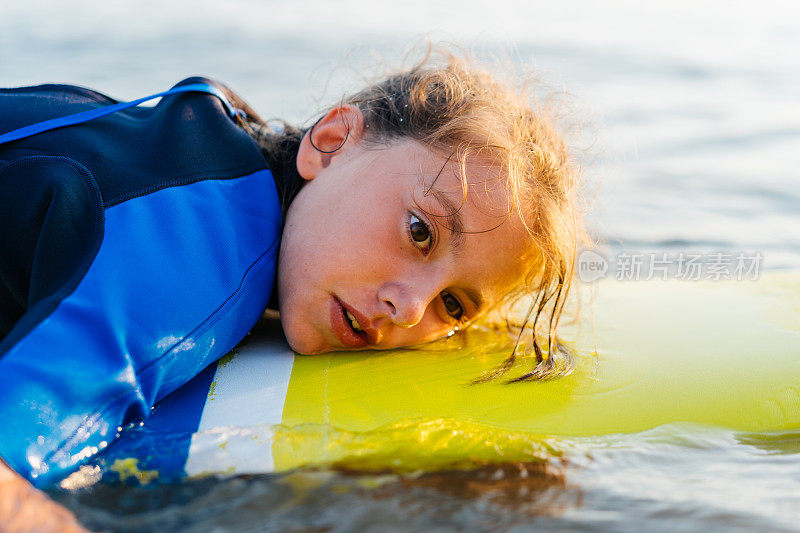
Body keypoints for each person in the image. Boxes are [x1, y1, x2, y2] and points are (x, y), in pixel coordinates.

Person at [0, 45, 585, 528]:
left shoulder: (210, 143)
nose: (408, 309)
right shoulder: (204, 257)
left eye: (452, 303)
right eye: (419, 232)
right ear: (331, 143)